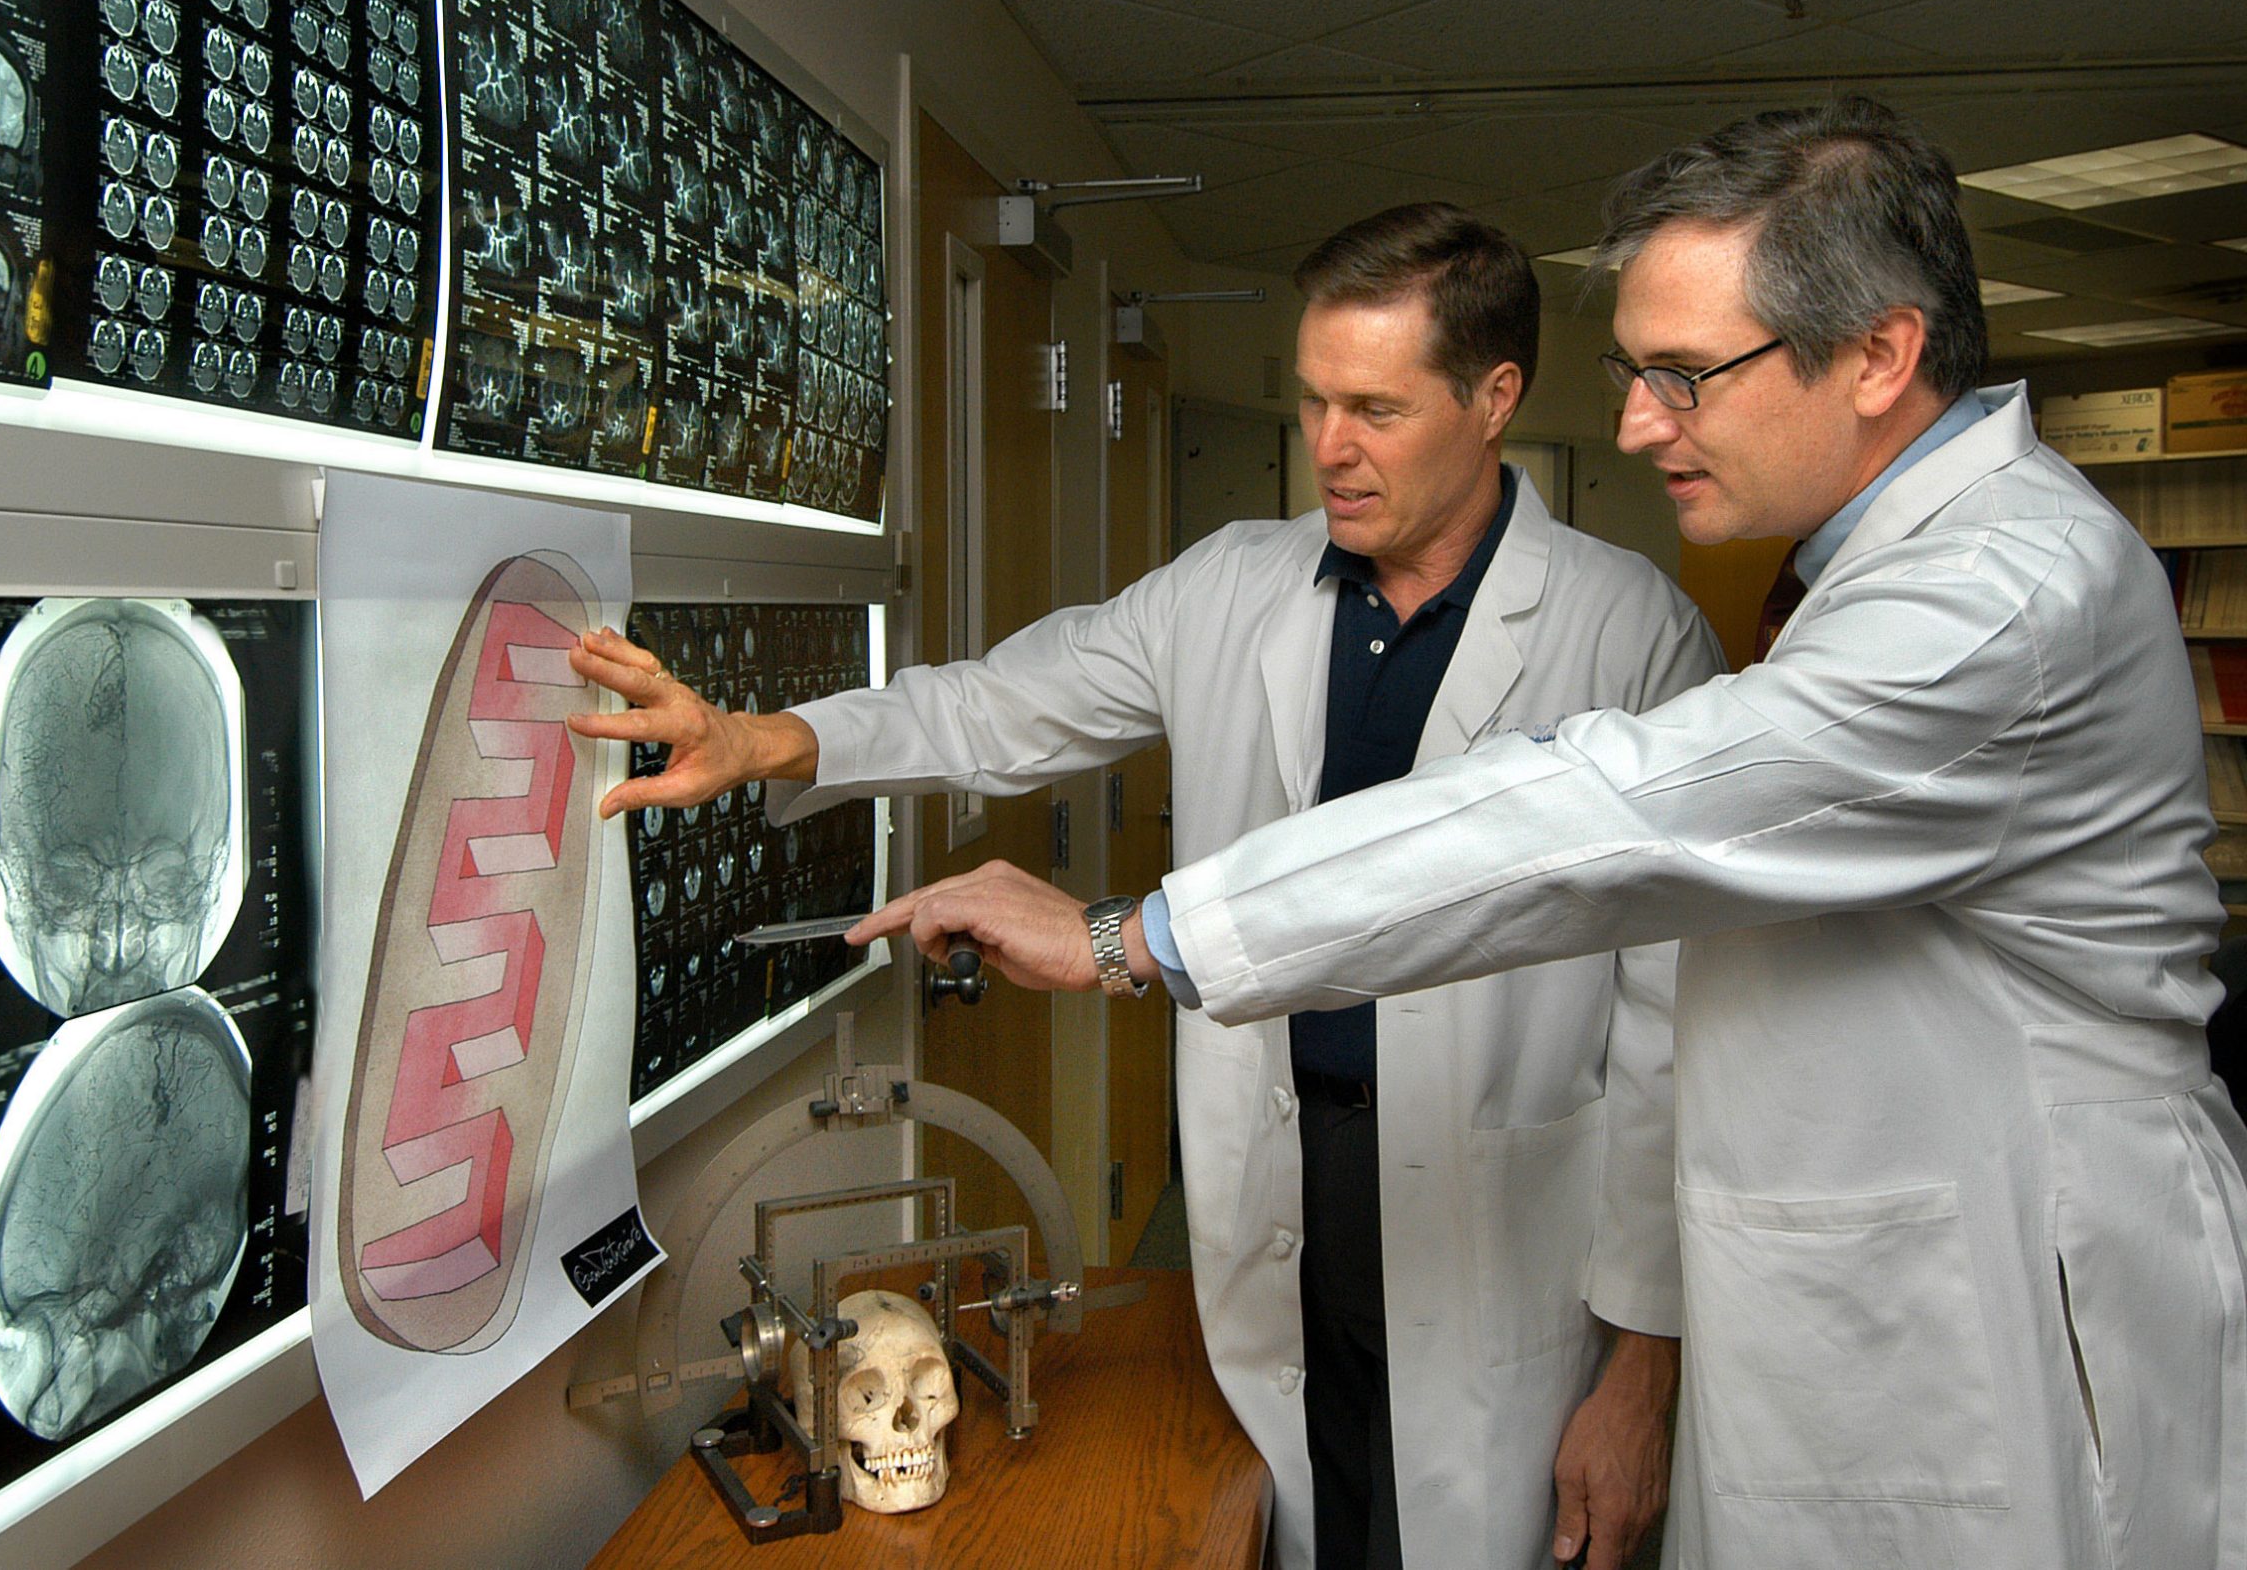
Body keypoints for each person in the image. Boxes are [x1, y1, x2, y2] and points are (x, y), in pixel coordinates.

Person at [858, 98, 2247, 1568]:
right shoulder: (1892, 578)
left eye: (1685, 376)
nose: (1643, 422)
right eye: (1635, 374)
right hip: (1870, 1316)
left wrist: (1129, 933)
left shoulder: (2001, 604)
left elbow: (1599, 820)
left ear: (1880, 356)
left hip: (1998, 1348)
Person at [570, 204, 1723, 1570]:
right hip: (1276, 1190)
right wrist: (768, 738)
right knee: (1288, 1524)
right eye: (1311, 399)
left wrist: (1643, 1369)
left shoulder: (1631, 630)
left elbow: (1674, 1041)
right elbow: (999, 704)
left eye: (1375, 406)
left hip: (1506, 1222)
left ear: (1494, 397)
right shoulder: (1233, 586)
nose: (1329, 446)